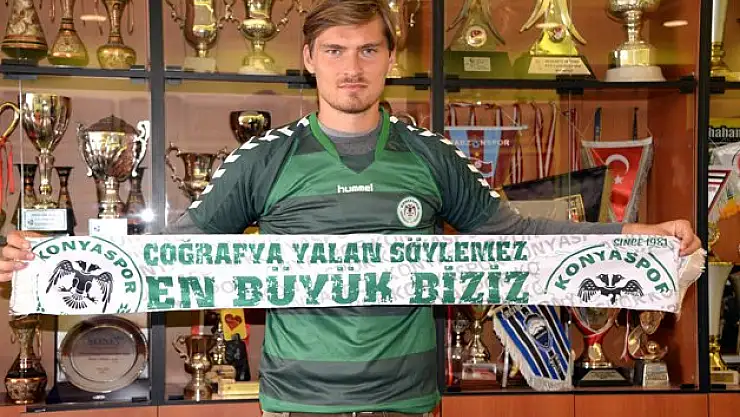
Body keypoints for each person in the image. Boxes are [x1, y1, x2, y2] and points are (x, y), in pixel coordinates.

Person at [0, 0, 700, 416]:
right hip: (299, 403)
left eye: (368, 49)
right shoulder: (265, 158)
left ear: (390, 58)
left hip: (408, 399)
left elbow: (518, 238)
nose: (352, 67)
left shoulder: (431, 156)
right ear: (309, 58)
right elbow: (177, 252)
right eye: (335, 50)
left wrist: (638, 238)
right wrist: (49, 258)